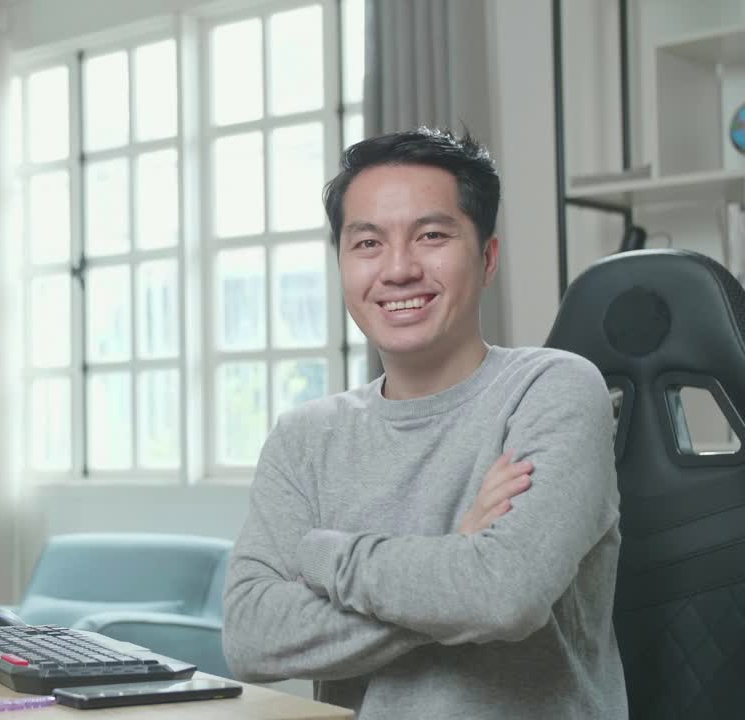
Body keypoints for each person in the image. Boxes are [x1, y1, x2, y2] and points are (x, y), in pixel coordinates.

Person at [221, 128, 626, 719]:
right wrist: (457, 556)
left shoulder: (554, 389)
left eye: (432, 235)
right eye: (367, 244)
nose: (399, 269)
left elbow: (503, 596)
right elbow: (251, 637)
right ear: (342, 264)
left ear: (487, 258)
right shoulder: (304, 439)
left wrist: (323, 556)